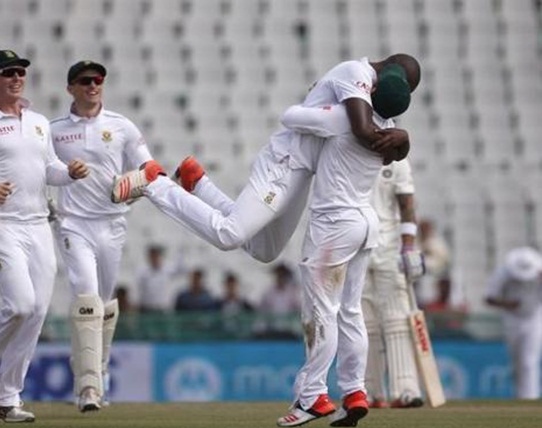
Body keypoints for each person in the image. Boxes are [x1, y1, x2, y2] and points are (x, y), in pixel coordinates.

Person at [111, 54, 420, 268]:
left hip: (302, 171)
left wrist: (401, 143)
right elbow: (361, 130)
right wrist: (401, 138)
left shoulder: (367, 92)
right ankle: (155, 181)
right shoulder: (357, 74)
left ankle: (198, 183)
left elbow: (382, 150)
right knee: (229, 234)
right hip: (286, 161)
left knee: (265, 250)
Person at [0, 50, 89, 423]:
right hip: (2, 225)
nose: (17, 76)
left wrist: (68, 172)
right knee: (20, 304)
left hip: (39, 224)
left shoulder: (39, 122)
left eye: (21, 70)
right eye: (8, 72)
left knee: (38, 311)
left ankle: (9, 396)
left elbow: (48, 169)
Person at [275, 71, 417, 428]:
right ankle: (354, 391)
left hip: (334, 224)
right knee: (349, 311)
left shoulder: (342, 118)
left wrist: (320, 97)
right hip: (365, 223)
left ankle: (313, 397)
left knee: (321, 311)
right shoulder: (388, 130)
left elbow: (289, 116)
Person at [49, 60, 154, 412]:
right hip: (74, 222)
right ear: (70, 88)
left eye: (97, 80)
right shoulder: (54, 130)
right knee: (87, 298)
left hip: (112, 223)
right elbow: (36, 170)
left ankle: (100, 373)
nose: (92, 86)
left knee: (104, 305)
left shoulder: (121, 126)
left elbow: (148, 168)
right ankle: (88, 387)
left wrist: (133, 184)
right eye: (84, 81)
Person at [361, 159, 426, 409]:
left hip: (390, 248)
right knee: (364, 324)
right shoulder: (346, 150)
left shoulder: (398, 158)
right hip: (356, 246)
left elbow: (407, 204)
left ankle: (406, 389)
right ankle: (368, 391)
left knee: (397, 320)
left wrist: (408, 245)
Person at [485, 246, 542, 400]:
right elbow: (489, 298)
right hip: (512, 318)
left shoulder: (539, 272)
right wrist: (508, 304)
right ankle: (521, 396)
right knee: (517, 360)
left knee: (529, 360)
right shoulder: (502, 274)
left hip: (534, 317)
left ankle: (531, 397)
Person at [255, 263, 302, 339]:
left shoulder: (292, 293)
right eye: (279, 275)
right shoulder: (268, 293)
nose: (280, 277)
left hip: (288, 331)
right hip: (272, 331)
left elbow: (299, 311)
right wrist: (260, 329)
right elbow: (261, 312)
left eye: (283, 275)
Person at [136, 244, 186, 313]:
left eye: (156, 256)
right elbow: (139, 290)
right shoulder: (143, 272)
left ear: (160, 256)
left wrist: (180, 253)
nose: (154, 258)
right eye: (152, 256)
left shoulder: (167, 269)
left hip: (163, 309)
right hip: (147, 309)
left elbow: (181, 270)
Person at [415, 218, 452, 307]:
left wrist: (429, 250)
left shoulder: (438, 242)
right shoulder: (416, 242)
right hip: (419, 280)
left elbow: (444, 259)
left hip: (435, 277)